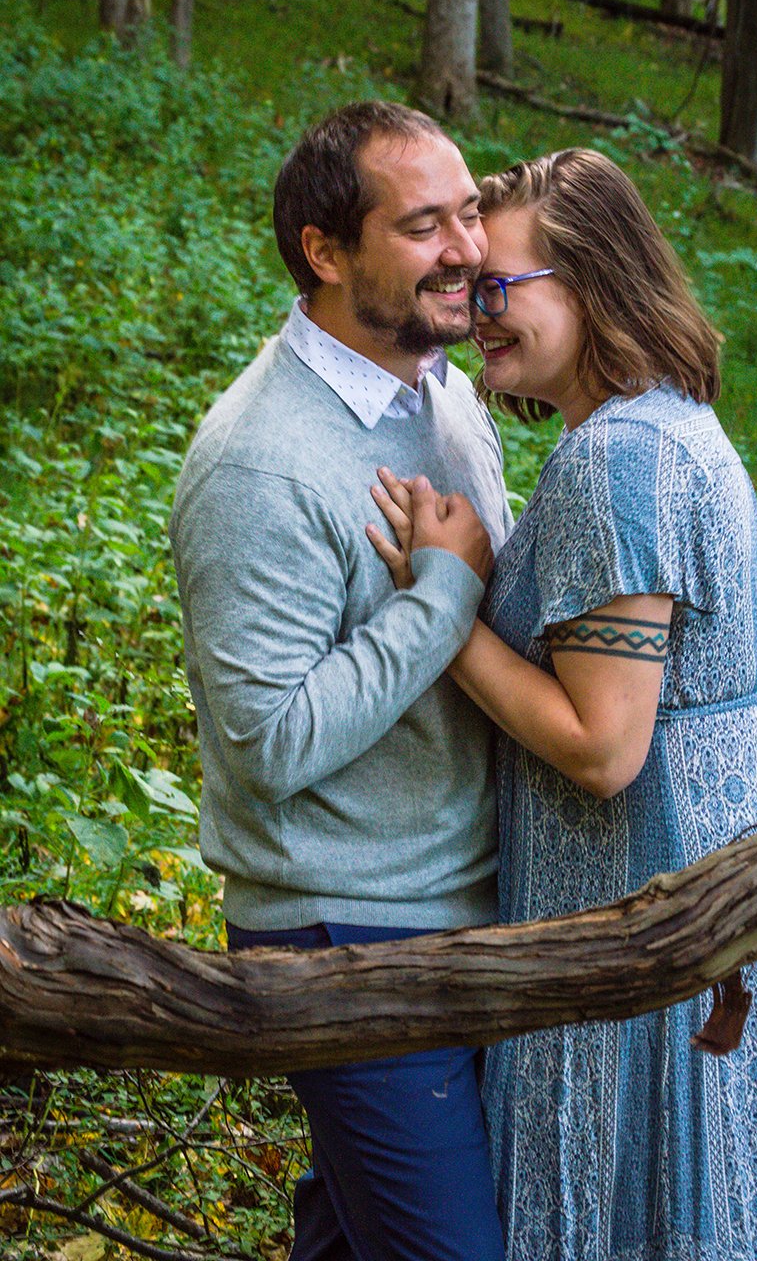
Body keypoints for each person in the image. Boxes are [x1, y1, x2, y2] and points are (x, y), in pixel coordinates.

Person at [368, 148, 757, 1261]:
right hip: (718, 885)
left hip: (645, 902)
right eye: (472, 289)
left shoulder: (616, 461)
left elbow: (603, 744)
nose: (480, 313)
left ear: (595, 280)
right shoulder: (659, 422)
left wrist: (445, 615)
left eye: (503, 287)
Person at [169, 101, 512, 1261]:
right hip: (345, 935)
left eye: (469, 210)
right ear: (326, 251)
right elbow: (266, 743)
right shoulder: (259, 462)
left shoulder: (444, 393)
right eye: (423, 225)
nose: (468, 247)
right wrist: (442, 595)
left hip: (456, 906)